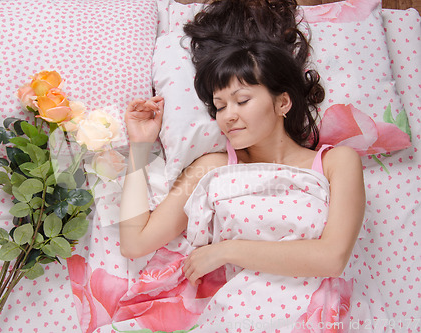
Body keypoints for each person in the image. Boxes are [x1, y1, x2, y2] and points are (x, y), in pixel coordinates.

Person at [118, 0, 366, 331]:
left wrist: (225, 251)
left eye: (242, 100)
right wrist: (139, 145)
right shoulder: (212, 168)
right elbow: (135, 243)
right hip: (237, 318)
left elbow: (332, 258)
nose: (227, 116)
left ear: (282, 102)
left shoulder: (336, 162)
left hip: (318, 318)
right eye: (219, 106)